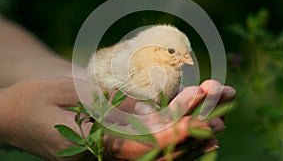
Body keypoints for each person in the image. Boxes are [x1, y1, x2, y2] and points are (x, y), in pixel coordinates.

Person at [0, 16, 236, 161]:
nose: (186, 59)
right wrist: (10, 113)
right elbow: (103, 73)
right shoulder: (143, 67)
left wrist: (70, 82)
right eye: (174, 53)